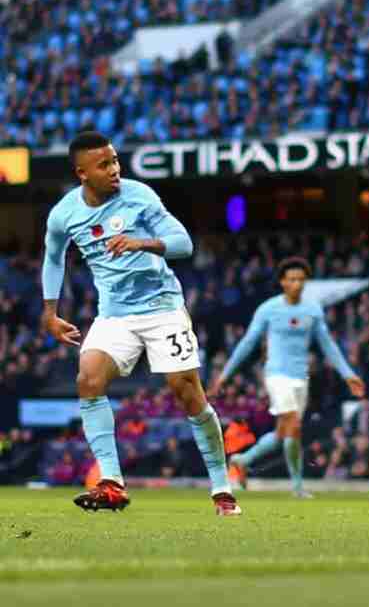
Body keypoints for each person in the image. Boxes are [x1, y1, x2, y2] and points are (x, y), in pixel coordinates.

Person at [41, 131, 241, 516]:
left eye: (115, 160)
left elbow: (183, 243)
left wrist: (141, 242)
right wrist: (50, 312)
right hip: (115, 313)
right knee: (89, 378)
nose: (115, 169)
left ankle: (221, 488)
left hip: (162, 307)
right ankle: (112, 483)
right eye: (104, 164)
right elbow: (53, 258)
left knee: (187, 392)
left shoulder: (139, 196)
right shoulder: (64, 214)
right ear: (82, 173)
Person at [208, 257, 364, 498]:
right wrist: (224, 375)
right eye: (292, 279)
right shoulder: (269, 309)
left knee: (285, 434)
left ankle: (242, 459)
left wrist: (348, 374)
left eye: (301, 279)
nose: (297, 284)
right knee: (293, 425)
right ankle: (298, 487)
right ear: (282, 282)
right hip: (276, 375)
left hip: (301, 378)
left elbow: (328, 345)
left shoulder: (312, 310)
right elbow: (248, 343)